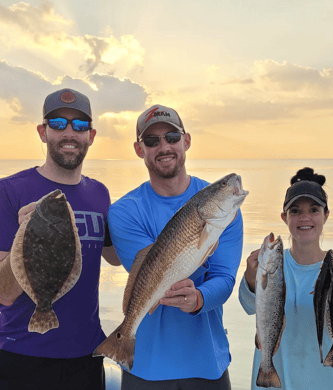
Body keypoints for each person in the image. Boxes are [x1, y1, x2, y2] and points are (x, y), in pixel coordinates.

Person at [108, 104, 244, 390]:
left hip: (207, 364)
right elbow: (149, 273)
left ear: (187, 140)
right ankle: (124, 339)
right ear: (138, 149)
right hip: (144, 366)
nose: (164, 146)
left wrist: (199, 299)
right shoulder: (123, 212)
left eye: (172, 137)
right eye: (152, 141)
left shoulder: (226, 210)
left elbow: (225, 278)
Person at [0, 88, 120, 390]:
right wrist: (24, 240)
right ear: (43, 132)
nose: (69, 133)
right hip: (20, 353)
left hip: (86, 354)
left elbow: (117, 258)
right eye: (58, 123)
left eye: (79, 126)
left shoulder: (100, 194)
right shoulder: (9, 191)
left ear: (90, 136)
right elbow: (3, 294)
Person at [239, 167, 333, 390]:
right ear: (284, 217)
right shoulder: (270, 264)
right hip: (271, 381)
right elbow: (249, 306)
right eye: (296, 211)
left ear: (326, 215)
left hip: (327, 383)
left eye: (314, 210)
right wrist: (251, 276)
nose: (305, 218)